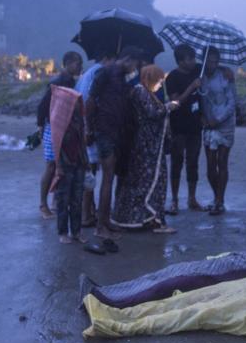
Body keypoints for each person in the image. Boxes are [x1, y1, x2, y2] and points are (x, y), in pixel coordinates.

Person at [112, 65, 179, 232]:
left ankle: (147, 218)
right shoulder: (140, 91)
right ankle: (154, 220)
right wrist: (168, 107)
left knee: (142, 183)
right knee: (151, 181)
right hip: (147, 148)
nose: (159, 85)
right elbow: (152, 113)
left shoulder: (144, 92)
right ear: (150, 78)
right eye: (158, 81)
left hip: (145, 146)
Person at [86, 47, 143, 239]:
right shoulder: (105, 73)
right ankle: (100, 226)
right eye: (135, 64)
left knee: (113, 176)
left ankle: (106, 221)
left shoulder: (124, 76)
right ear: (128, 59)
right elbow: (91, 100)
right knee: (108, 177)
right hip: (105, 130)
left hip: (119, 131)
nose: (136, 68)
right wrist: (88, 129)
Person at [39, 83, 89, 244]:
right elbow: (58, 146)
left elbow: (82, 142)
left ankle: (76, 231)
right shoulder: (58, 122)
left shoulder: (79, 120)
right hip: (65, 165)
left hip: (79, 163)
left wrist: (86, 162)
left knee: (77, 199)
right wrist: (59, 167)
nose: (76, 105)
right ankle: (63, 232)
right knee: (63, 200)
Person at [38, 51, 83, 220]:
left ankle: (56, 201)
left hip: (63, 127)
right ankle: (43, 204)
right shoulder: (58, 82)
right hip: (53, 127)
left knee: (60, 165)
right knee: (51, 165)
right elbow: (43, 106)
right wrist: (41, 125)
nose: (80, 66)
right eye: (78, 63)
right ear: (68, 63)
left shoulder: (71, 81)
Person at [74, 52, 115, 228]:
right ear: (108, 58)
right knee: (90, 173)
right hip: (89, 128)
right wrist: (89, 128)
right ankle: (86, 216)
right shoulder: (100, 72)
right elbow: (90, 101)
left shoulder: (89, 73)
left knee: (88, 172)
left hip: (82, 125)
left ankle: (88, 212)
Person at [164, 44, 203, 215]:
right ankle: (174, 200)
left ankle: (192, 198)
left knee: (193, 163)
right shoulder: (172, 78)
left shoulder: (197, 71)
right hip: (178, 126)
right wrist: (191, 88)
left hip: (195, 126)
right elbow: (176, 103)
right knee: (176, 163)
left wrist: (225, 71)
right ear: (180, 61)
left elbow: (211, 66)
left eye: (194, 58)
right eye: (190, 59)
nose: (194, 61)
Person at [199, 46, 236, 216]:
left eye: (215, 61)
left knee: (222, 161)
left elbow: (231, 104)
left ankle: (220, 201)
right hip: (208, 124)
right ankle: (216, 197)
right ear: (204, 61)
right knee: (210, 165)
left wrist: (218, 120)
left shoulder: (226, 77)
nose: (212, 64)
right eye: (209, 61)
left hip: (225, 124)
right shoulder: (199, 77)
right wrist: (205, 119)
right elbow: (201, 102)